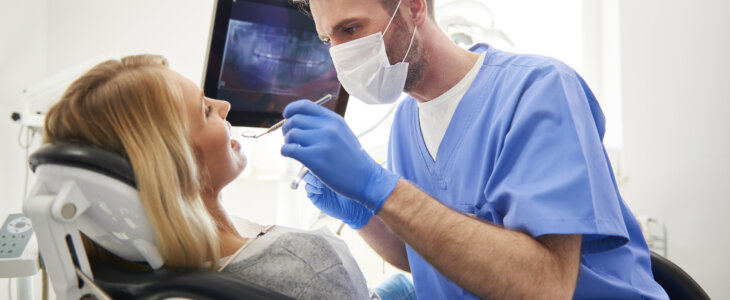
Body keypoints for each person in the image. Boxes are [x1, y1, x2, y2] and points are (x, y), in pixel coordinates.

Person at [281, 0, 669, 299]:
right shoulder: (404, 125)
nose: (342, 54)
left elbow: (545, 286)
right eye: (330, 39)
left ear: (414, 6)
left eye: (352, 28)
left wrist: (378, 187)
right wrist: (362, 212)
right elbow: (431, 255)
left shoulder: (538, 91)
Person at [42, 54, 379, 299]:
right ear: (175, 166)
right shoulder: (305, 263)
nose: (224, 106)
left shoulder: (124, 279)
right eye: (205, 110)